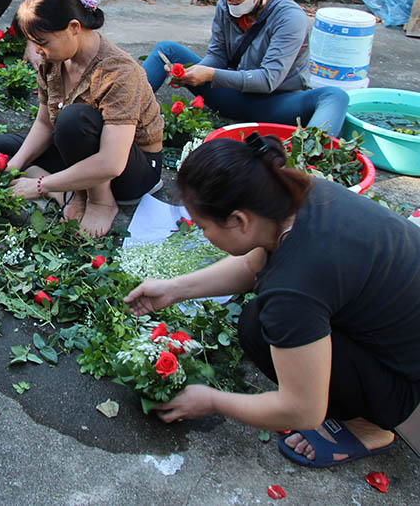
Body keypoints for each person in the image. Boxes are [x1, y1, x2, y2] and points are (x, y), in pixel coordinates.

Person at [125, 135, 420, 468]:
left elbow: (304, 410)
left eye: (204, 226)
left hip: (406, 385)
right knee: (257, 319)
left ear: (239, 220)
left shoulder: (293, 289)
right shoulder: (304, 194)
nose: (202, 233)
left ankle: (370, 427)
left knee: (262, 326)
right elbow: (255, 263)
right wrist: (172, 290)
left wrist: (213, 401)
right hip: (400, 330)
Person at [0, 0, 164, 237]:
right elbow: (44, 124)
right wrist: (13, 167)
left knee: (73, 119)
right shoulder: (51, 60)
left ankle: (100, 201)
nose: (38, 51)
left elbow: (112, 162)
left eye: (42, 41)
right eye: (32, 42)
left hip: (130, 168)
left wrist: (39, 185)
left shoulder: (117, 71)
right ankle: (67, 192)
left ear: (74, 28)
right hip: (80, 149)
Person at [142, 0, 348, 136]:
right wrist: (194, 73)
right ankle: (122, 114)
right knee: (166, 50)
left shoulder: (290, 18)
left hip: (275, 106)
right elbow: (218, 55)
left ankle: (310, 159)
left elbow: (268, 80)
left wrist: (211, 74)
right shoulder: (227, 6)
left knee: (334, 96)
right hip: (233, 95)